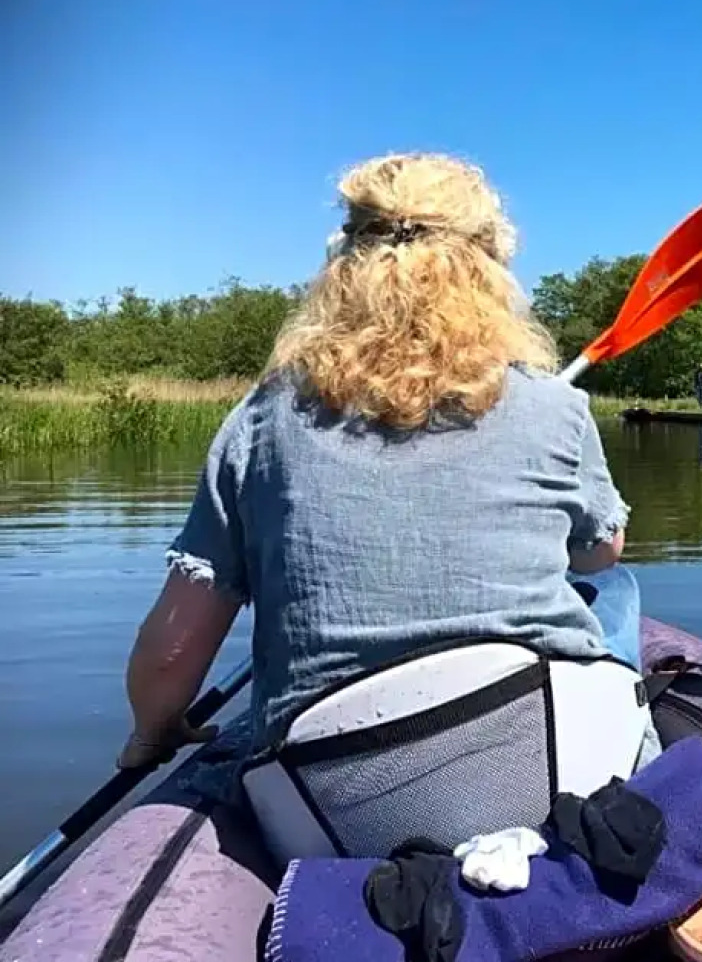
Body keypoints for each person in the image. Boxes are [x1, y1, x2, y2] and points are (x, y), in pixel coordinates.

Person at [118, 152, 658, 848]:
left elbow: (172, 654)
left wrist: (153, 730)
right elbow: (600, 550)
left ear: (343, 266)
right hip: (555, 782)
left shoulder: (262, 420)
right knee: (614, 588)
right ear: (488, 271)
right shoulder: (556, 409)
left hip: (329, 819)